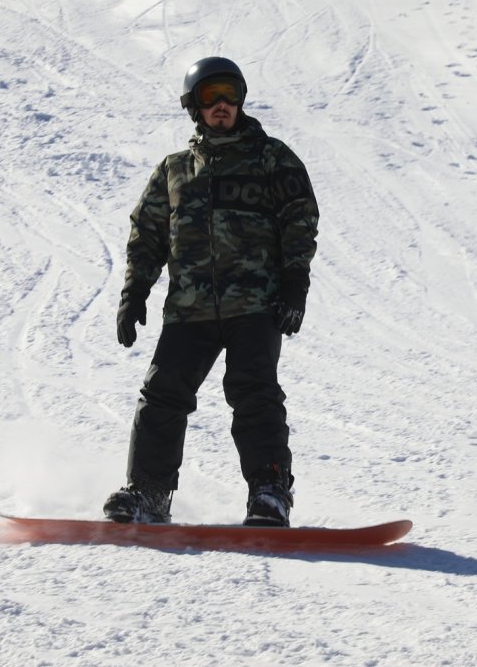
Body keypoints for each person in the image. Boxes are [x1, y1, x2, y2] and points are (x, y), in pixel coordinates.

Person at [103, 56, 319, 527]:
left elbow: (300, 220)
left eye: (230, 94)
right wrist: (134, 293)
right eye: (210, 96)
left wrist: (295, 284)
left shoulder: (272, 158)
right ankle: (149, 492)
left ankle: (270, 493)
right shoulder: (174, 170)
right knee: (162, 394)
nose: (222, 104)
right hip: (190, 308)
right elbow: (147, 236)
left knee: (254, 393)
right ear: (193, 106)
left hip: (255, 305)